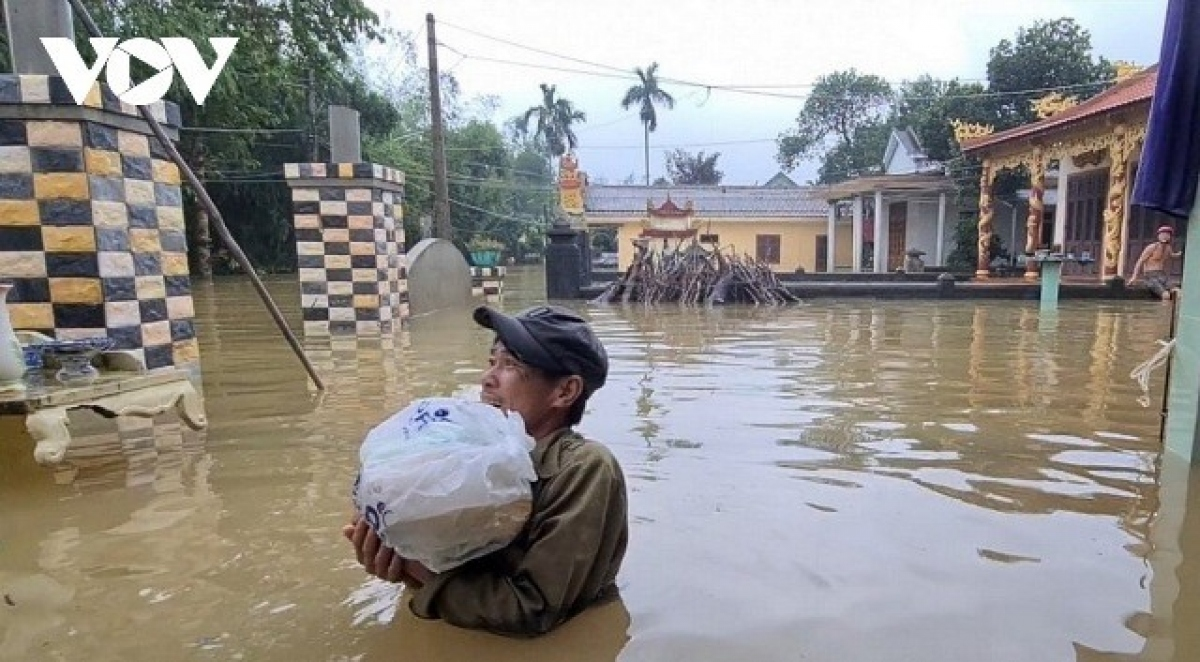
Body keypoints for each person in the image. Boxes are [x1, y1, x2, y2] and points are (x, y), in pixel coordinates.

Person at [343, 304, 629, 638]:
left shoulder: (585, 468)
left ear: (565, 391)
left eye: (510, 364)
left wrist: (418, 572)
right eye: (491, 362)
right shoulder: (467, 457)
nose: (487, 379)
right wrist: (396, 551)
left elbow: (532, 610)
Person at [1130, 225, 1184, 301]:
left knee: (1177, 292)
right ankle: (1163, 311)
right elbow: (1140, 261)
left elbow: (1173, 255)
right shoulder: (1152, 247)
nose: (1165, 236)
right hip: (1150, 276)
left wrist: (1183, 251)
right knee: (1166, 295)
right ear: (1159, 236)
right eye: (1163, 234)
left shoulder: (1168, 248)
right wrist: (1134, 277)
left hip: (1162, 275)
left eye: (1167, 235)